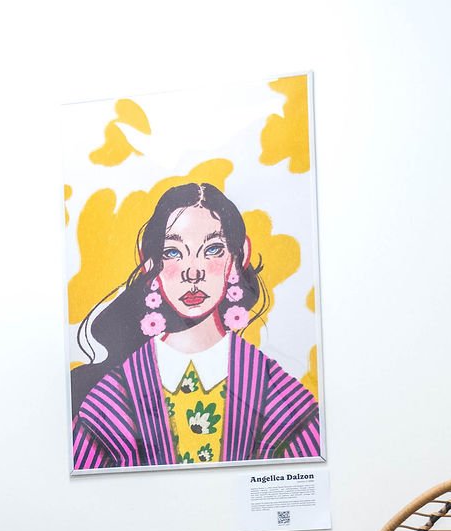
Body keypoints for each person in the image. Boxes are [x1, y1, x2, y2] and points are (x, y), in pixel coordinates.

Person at [70, 181, 321, 470]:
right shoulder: (109, 400)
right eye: (173, 252)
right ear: (148, 261)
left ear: (239, 256)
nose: (193, 271)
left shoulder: (280, 394)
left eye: (213, 249)